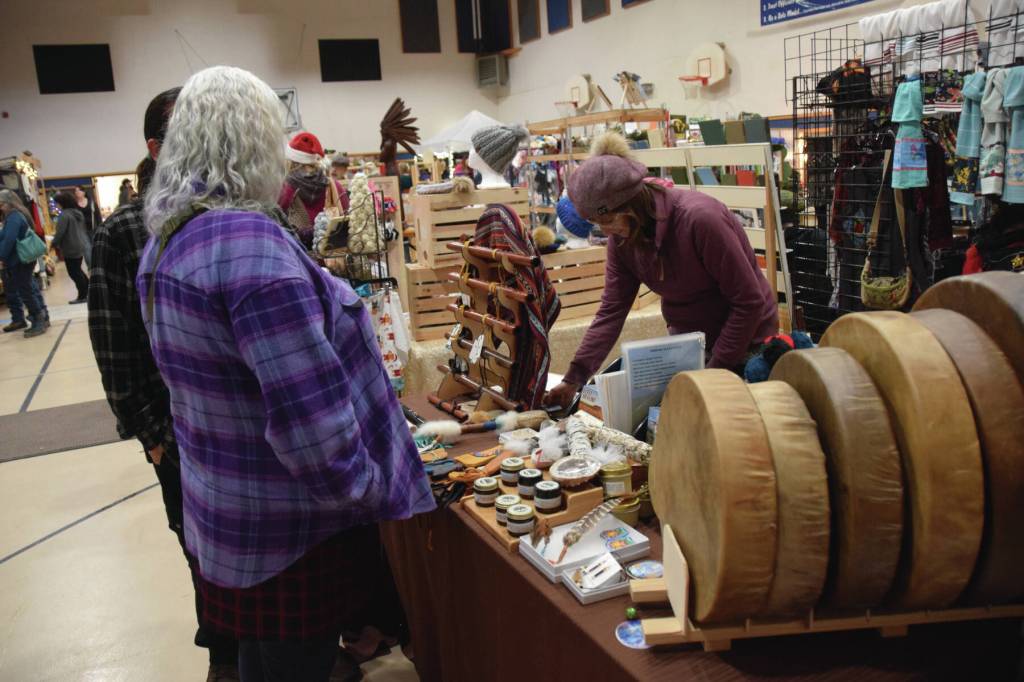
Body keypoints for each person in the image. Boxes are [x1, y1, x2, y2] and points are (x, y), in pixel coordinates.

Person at [139, 65, 434, 682]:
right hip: (291, 534)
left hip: (231, 516)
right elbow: (312, 425)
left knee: (263, 662)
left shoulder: (172, 238)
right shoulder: (252, 249)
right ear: (254, 140)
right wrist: (371, 492)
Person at [87, 86, 245, 682]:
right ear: (156, 147)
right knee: (201, 551)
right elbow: (115, 351)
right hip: (179, 437)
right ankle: (225, 658)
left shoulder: (229, 212)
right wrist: (155, 438)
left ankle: (267, 648)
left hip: (244, 428)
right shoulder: (124, 232)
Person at [545, 133, 779, 407]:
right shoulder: (622, 240)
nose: (605, 231)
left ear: (629, 205)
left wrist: (714, 372)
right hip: (691, 346)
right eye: (597, 224)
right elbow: (612, 311)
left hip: (747, 342)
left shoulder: (700, 220)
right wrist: (575, 377)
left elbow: (749, 302)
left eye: (606, 220)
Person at [278, 132, 349, 251]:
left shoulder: (285, 189)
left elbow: (276, 224)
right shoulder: (334, 186)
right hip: (333, 258)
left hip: (301, 260)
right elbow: (348, 219)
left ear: (290, 161)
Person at [0, 189, 49, 337]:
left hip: (19, 260)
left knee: (26, 291)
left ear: (8, 203)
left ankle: (38, 321)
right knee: (28, 289)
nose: (0, 206)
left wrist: (1, 257)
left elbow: (8, 240)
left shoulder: (14, 217)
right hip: (21, 259)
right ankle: (40, 318)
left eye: (1, 203)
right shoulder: (16, 215)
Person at [51, 192, 90, 303]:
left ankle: (82, 296)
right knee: (78, 270)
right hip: (80, 244)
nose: (57, 205)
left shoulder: (64, 215)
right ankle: (87, 292)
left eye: (57, 203)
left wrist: (53, 244)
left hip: (70, 246)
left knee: (74, 272)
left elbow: (60, 232)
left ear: (62, 203)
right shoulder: (77, 213)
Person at [74, 185, 102, 267]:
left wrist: (100, 227)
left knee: (95, 248)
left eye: (78, 190)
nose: (77, 192)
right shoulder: (75, 205)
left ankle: (98, 266)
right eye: (75, 191)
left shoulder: (91, 202)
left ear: (83, 192)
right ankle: (91, 268)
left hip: (94, 229)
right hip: (82, 231)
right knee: (87, 250)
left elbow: (98, 216)